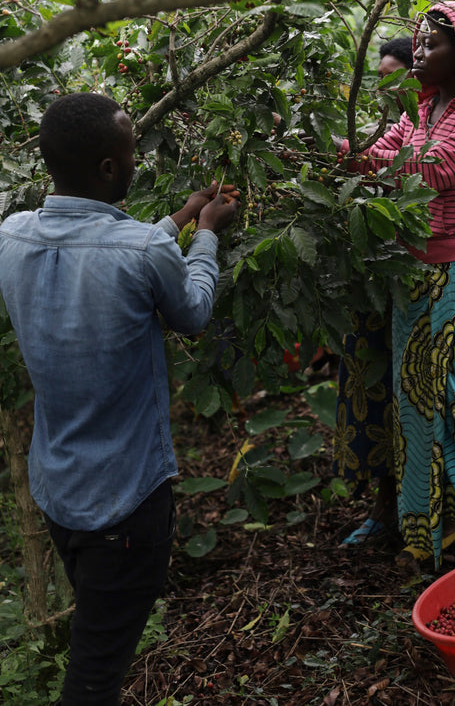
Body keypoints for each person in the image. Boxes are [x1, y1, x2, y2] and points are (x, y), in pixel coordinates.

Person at [0, 93, 240, 705]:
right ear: (110, 168)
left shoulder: (12, 236)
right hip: (126, 500)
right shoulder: (140, 250)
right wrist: (206, 235)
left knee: (95, 640)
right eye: (131, 153)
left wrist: (181, 217)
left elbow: (104, 253)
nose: (136, 162)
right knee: (94, 677)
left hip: (58, 489)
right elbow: (191, 311)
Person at [338, 2, 455, 567]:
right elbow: (379, 155)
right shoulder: (419, 110)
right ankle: (430, 540)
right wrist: (334, 150)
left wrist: (370, 161)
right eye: (416, 42)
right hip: (415, 275)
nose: (418, 52)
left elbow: (436, 169)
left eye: (431, 44)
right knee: (418, 404)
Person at [334, 37, 413, 546]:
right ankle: (385, 507)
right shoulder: (373, 133)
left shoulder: (433, 129)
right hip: (369, 281)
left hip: (412, 276)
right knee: (371, 390)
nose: (387, 88)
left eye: (396, 77)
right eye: (380, 77)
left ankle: (427, 507)